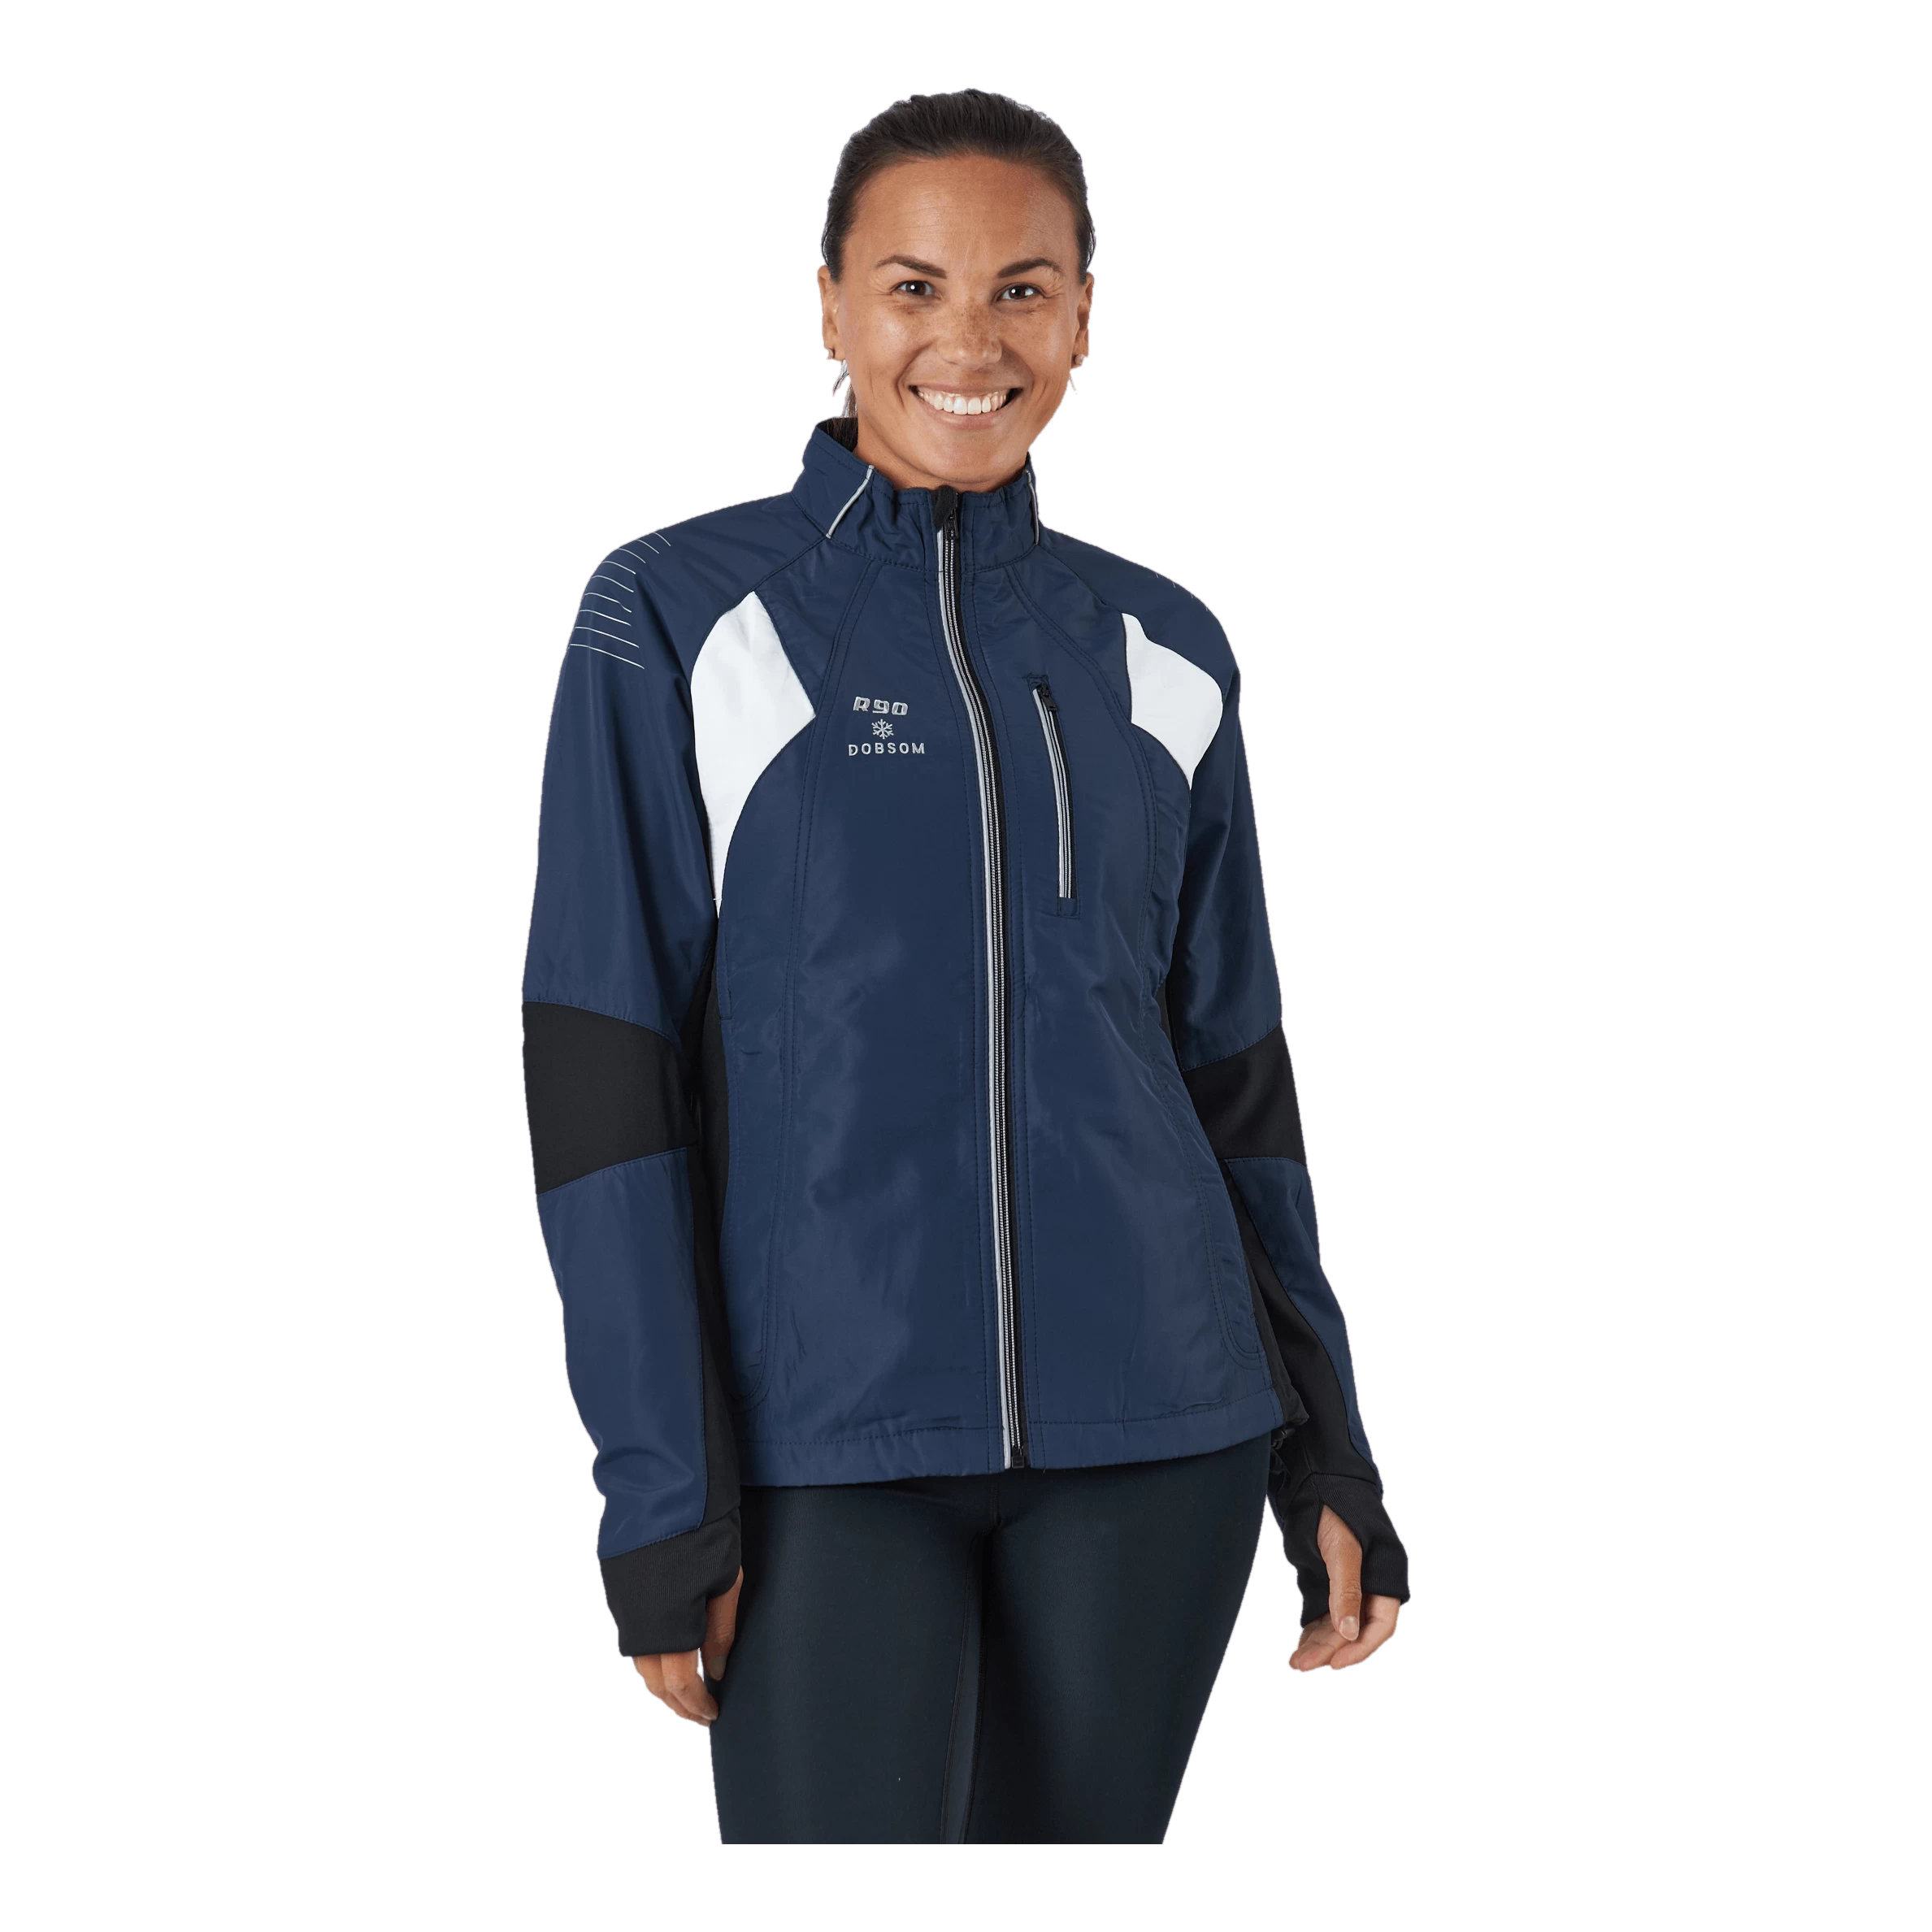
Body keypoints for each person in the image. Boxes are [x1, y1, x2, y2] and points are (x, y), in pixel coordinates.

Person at [521, 87, 1409, 1844]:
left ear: (1085, 316)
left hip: (1159, 1434)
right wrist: (662, 1487)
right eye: (914, 287)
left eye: (1024, 289)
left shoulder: (1164, 644)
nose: (971, 342)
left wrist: (1327, 1443)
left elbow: (1234, 1077)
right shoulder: (679, 615)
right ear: (830, 306)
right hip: (817, 1449)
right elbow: (605, 1076)